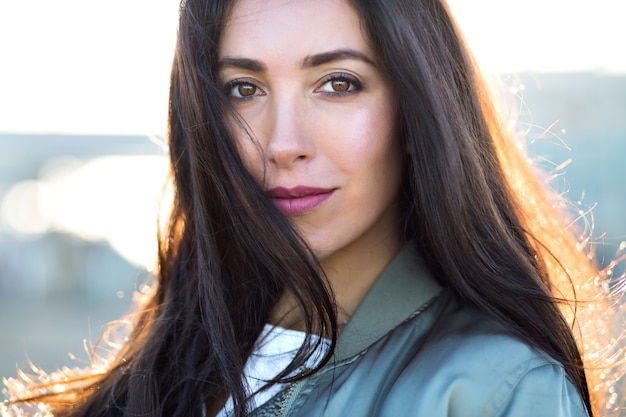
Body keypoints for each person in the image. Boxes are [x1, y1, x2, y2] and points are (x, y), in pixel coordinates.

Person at [2, 0, 624, 416]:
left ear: (416, 107)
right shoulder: (178, 351)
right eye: (243, 90)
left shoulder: (494, 391)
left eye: (338, 83)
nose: (282, 144)